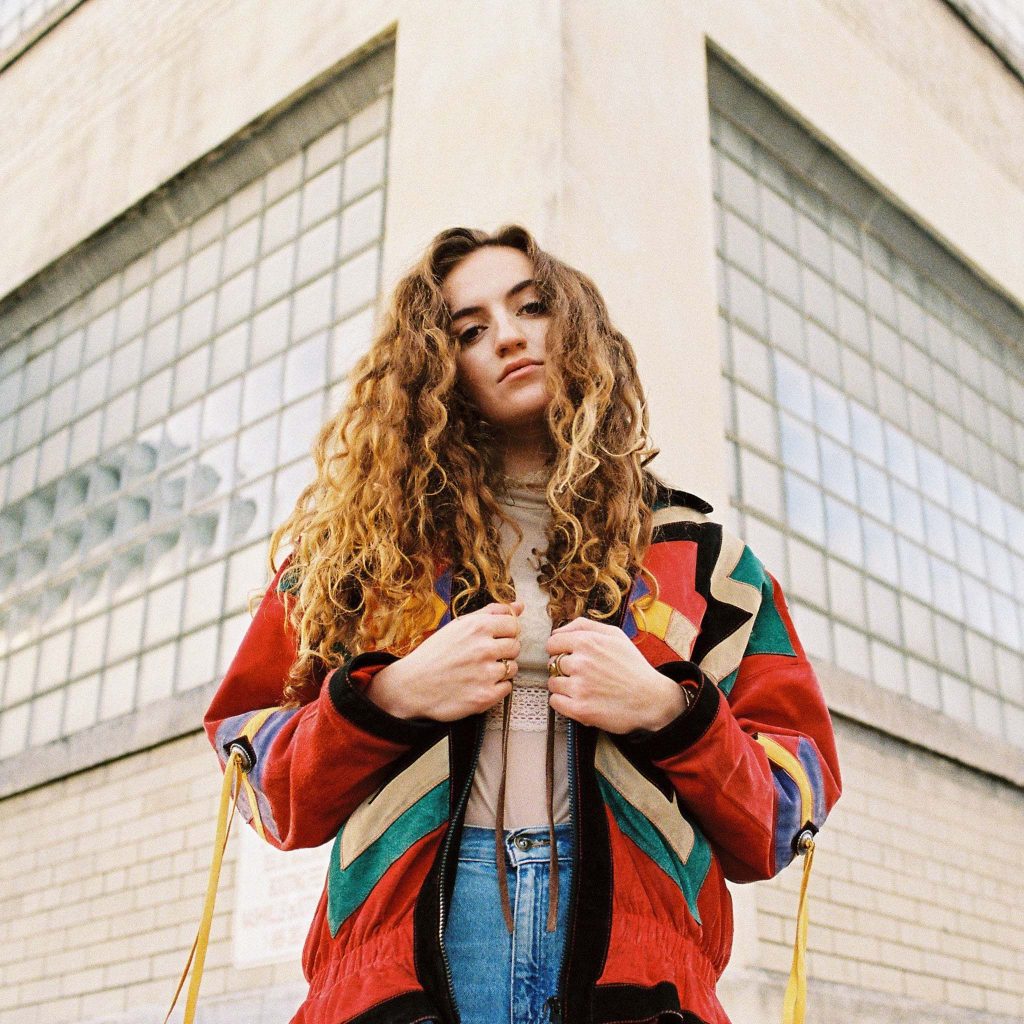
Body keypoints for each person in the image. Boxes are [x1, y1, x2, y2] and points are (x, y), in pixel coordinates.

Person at [204, 224, 842, 1024]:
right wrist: (390, 696)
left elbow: (786, 811)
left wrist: (667, 711)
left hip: (635, 962)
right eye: (468, 330)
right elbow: (257, 776)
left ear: (576, 326)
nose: (507, 336)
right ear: (433, 367)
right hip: (414, 957)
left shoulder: (708, 566)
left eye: (531, 307)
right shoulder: (357, 553)